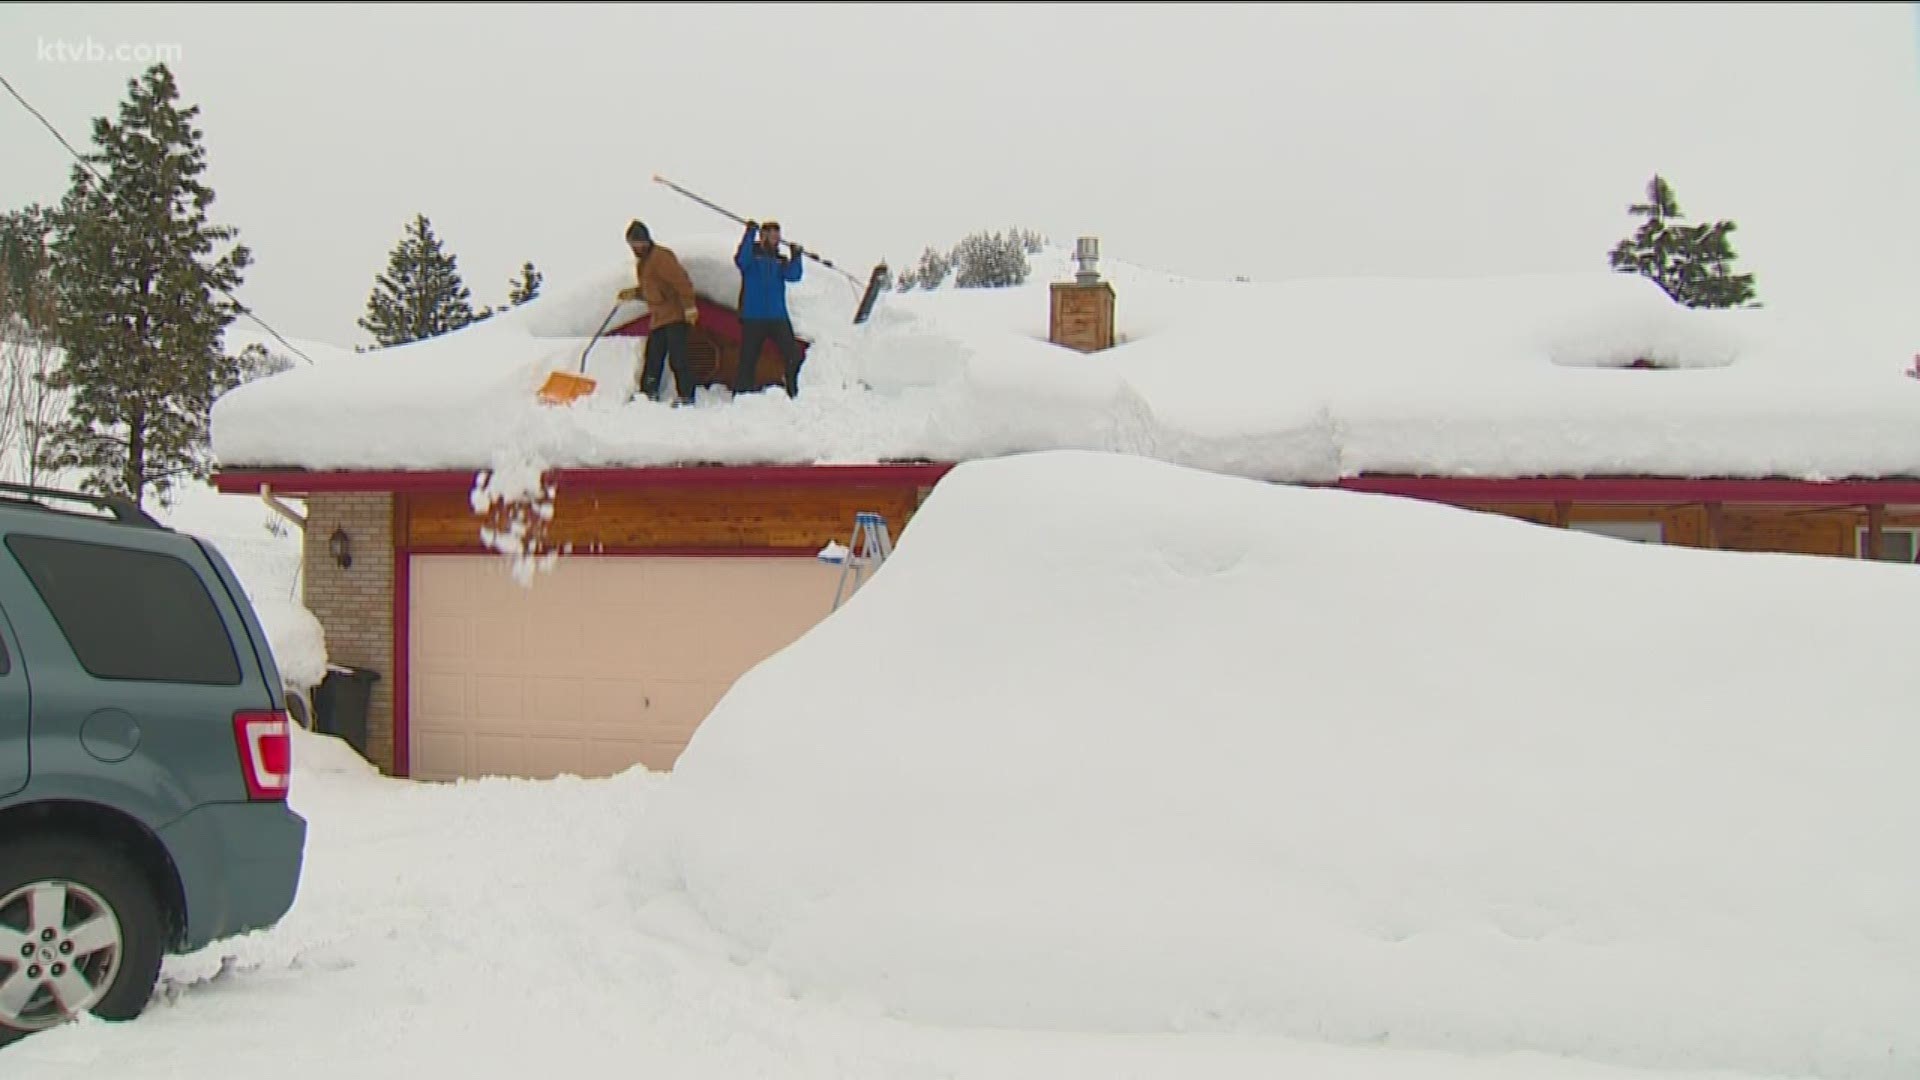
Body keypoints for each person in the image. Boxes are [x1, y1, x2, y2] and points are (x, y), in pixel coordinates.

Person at [616, 219, 702, 406]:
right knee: (653, 357)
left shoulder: (661, 257)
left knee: (678, 358)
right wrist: (634, 293)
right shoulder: (643, 263)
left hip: (676, 316)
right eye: (633, 244)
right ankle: (648, 394)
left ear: (647, 240)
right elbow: (652, 290)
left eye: (640, 243)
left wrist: (689, 307)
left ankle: (686, 396)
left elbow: (682, 282)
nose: (637, 247)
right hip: (659, 319)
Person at [732, 219, 806, 398]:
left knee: (793, 354)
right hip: (753, 316)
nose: (775, 238)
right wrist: (749, 233)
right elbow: (741, 260)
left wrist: (796, 256)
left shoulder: (780, 260)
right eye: (771, 234)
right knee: (748, 358)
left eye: (777, 235)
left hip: (777, 316)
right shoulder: (752, 256)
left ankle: (792, 389)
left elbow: (794, 276)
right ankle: (742, 393)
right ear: (763, 235)